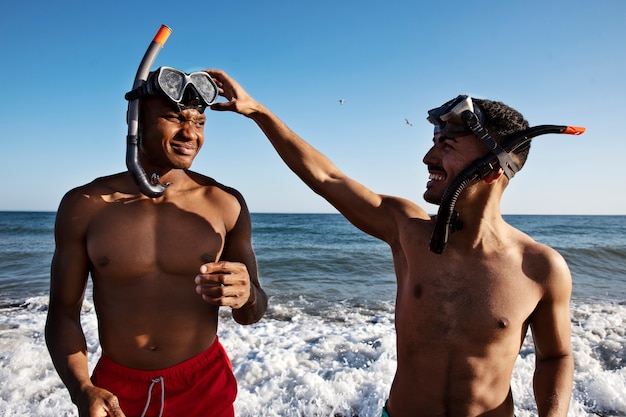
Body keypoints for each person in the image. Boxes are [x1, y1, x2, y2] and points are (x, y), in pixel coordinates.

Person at [205, 69, 574, 417]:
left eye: (446, 145)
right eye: (433, 143)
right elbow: (327, 178)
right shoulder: (407, 231)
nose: (428, 158)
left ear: (492, 167)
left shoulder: (541, 267)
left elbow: (556, 356)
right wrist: (258, 112)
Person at [45, 66, 268, 417]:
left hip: (203, 386)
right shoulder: (84, 205)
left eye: (199, 122)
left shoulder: (225, 203)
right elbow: (62, 312)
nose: (190, 133)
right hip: (115, 393)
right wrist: (82, 388)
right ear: (135, 121)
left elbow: (251, 313)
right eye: (174, 118)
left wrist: (247, 295)